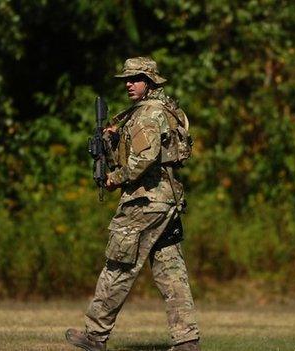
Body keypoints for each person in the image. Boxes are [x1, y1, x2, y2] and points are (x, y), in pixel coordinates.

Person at [66, 57, 200, 351]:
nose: (129, 83)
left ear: (150, 81)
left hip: (145, 201)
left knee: (118, 264)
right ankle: (187, 340)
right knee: (170, 271)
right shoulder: (156, 110)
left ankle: (95, 334)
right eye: (127, 79)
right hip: (167, 200)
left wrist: (115, 177)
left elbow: (143, 158)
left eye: (136, 78)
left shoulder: (147, 115)